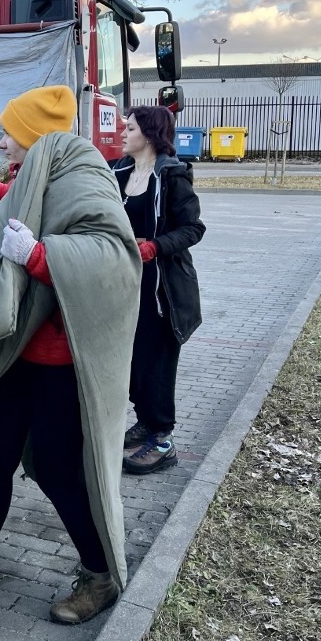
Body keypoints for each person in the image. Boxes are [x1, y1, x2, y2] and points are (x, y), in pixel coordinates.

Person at [0, 85, 141, 625]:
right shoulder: (39, 171)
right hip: (16, 353)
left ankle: (98, 576)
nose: (0, 140)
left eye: (10, 133)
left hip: (62, 365)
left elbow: (114, 256)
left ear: (35, 137)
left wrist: (40, 256)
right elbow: (13, 199)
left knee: (60, 471)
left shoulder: (86, 179)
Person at [110, 106, 205, 475]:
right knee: (134, 364)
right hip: (124, 288)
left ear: (148, 134)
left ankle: (163, 440)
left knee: (158, 366)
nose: (122, 133)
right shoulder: (118, 172)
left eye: (129, 128)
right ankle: (145, 423)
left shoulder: (172, 176)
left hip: (162, 292)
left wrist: (153, 246)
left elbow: (193, 229)